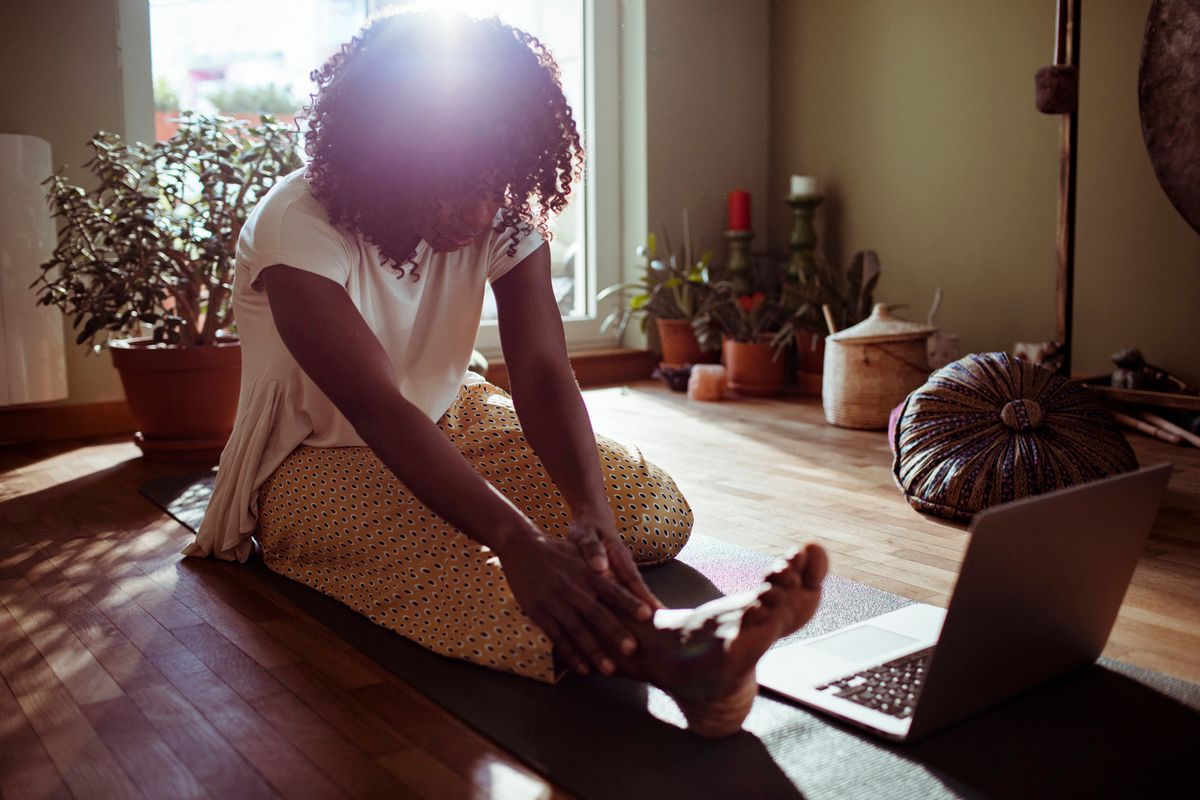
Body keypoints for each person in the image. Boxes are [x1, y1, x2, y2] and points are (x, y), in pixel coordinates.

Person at [187, 8, 828, 737]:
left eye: (495, 182)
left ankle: (645, 617)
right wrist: (518, 542)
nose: (479, 210)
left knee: (647, 510)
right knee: (456, 564)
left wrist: (590, 516)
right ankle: (674, 656)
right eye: (453, 185)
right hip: (307, 460)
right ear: (386, 157)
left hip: (454, 414)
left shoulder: (499, 214)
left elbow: (543, 370)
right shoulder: (296, 224)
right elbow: (374, 408)